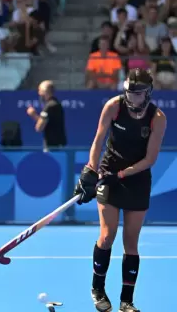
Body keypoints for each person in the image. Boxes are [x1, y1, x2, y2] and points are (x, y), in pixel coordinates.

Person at [74, 68, 166, 312]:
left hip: (136, 178)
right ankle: (98, 289)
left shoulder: (158, 118)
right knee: (107, 236)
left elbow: (150, 159)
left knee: (131, 244)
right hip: (108, 172)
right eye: (128, 92)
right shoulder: (114, 106)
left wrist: (122, 176)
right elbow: (98, 140)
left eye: (137, 93)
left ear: (147, 93)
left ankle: (127, 301)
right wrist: (90, 171)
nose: (131, 97)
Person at [25, 80, 67, 152]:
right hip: (57, 145)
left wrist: (33, 114)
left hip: (53, 147)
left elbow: (39, 127)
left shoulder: (50, 106)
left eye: (40, 90)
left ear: (45, 91)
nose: (39, 93)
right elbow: (45, 123)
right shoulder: (55, 104)